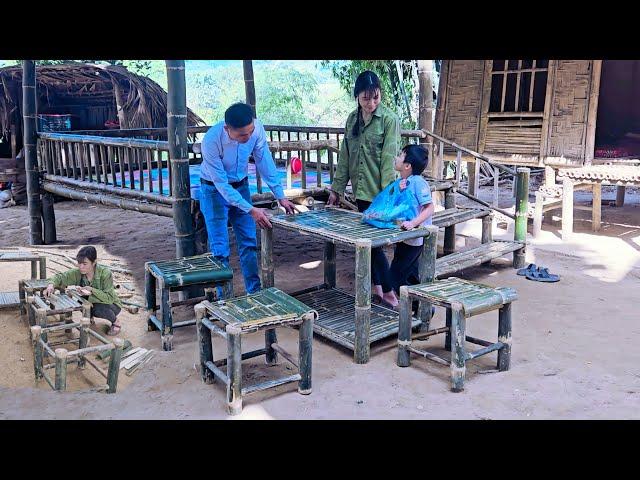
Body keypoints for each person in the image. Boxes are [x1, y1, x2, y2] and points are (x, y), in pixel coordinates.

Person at [199, 102, 297, 294]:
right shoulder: (211, 140)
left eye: (250, 131)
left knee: (249, 242)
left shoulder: (256, 129)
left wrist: (280, 196)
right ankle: (224, 298)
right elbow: (222, 185)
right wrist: (252, 210)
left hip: (241, 184)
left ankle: (254, 291)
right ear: (227, 129)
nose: (248, 137)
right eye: (243, 134)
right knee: (220, 249)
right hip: (213, 190)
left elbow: (264, 161)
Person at [327, 70, 401, 304]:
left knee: (376, 246)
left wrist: (388, 196)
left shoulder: (389, 120)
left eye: (376, 97)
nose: (371, 103)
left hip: (379, 193)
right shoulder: (352, 120)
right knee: (367, 246)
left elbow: (388, 160)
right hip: (360, 192)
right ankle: (378, 288)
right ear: (357, 97)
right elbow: (345, 158)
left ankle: (389, 292)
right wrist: (337, 190)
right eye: (366, 98)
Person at [383, 144, 435, 307]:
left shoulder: (419, 183)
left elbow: (430, 208)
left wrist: (413, 223)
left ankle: (421, 307)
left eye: (400, 155)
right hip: (404, 237)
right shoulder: (403, 181)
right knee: (410, 275)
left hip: (415, 238)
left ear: (407, 165)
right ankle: (419, 308)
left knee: (395, 277)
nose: (396, 157)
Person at [44, 246, 123, 335]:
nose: (81, 267)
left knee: (97, 309)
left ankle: (116, 322)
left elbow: (109, 298)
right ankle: (90, 317)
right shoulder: (79, 273)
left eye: (85, 264)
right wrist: (51, 285)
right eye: (79, 263)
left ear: (94, 262)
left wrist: (92, 290)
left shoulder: (105, 273)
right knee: (81, 300)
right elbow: (60, 277)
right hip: (94, 301)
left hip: (112, 305)